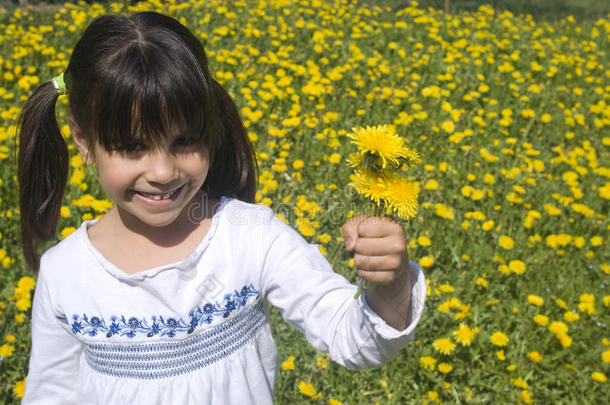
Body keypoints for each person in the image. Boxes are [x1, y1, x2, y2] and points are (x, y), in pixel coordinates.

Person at [17, 11, 426, 404]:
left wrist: (389, 287)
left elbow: (351, 338)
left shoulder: (250, 235)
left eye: (185, 142)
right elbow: (50, 395)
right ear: (84, 140)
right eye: (133, 147)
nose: (163, 171)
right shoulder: (65, 274)